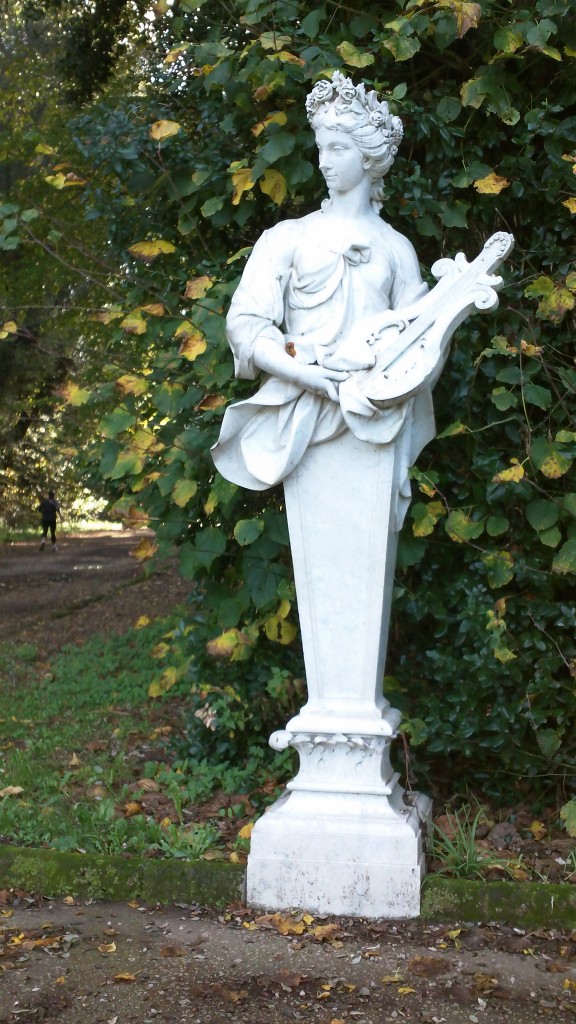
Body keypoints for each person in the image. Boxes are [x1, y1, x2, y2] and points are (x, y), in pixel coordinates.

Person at [211, 70, 435, 529]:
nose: (325, 161)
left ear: (369, 156)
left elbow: (424, 341)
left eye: (338, 148)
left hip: (376, 416)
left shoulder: (396, 249)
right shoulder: (289, 238)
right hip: (302, 415)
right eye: (321, 148)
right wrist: (306, 375)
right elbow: (246, 325)